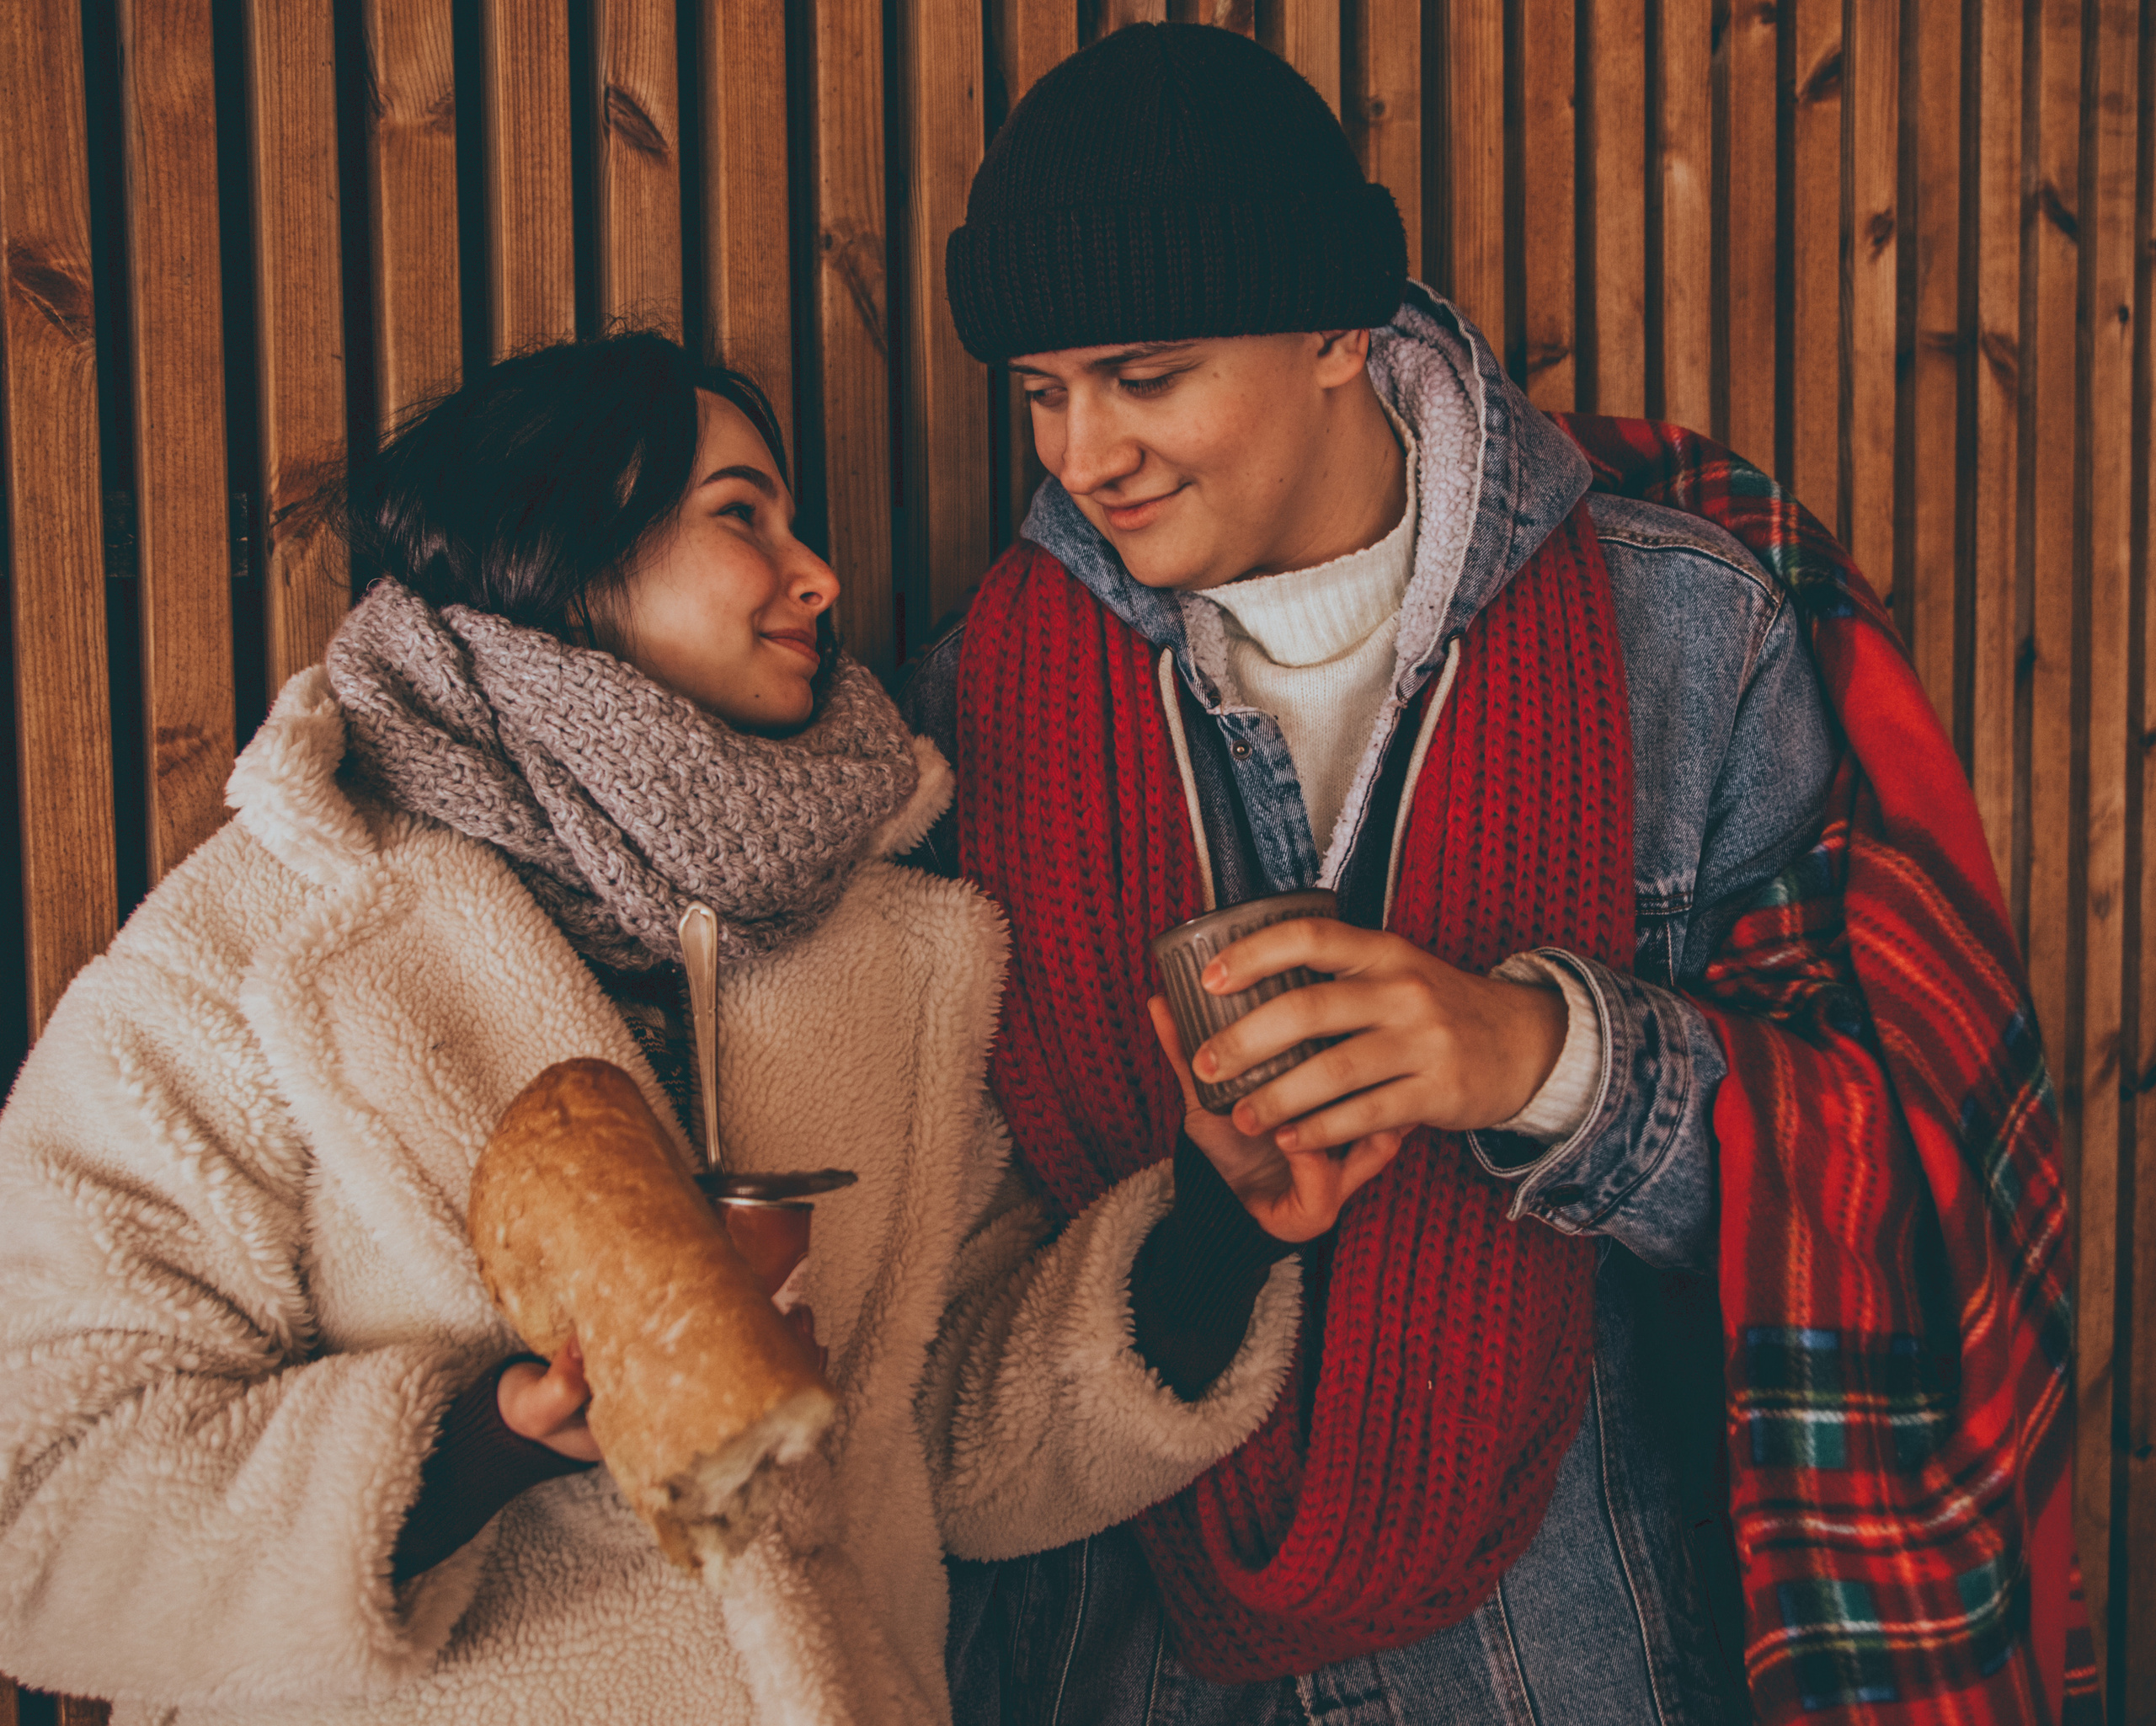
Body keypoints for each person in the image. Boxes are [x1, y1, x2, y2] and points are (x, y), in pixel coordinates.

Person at [906, 23, 2085, 1726]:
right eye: (1039, 390)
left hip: (1570, 1661)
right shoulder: (975, 705)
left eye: (1142, 373)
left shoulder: (1685, 628)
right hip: (1127, 1660)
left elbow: (1910, 1192)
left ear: (1331, 326)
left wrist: (1547, 1060)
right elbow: (938, 1301)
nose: (1083, 455)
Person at [0, 332, 1311, 1725]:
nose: (818, 575)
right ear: (555, 554)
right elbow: (42, 1488)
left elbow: (953, 1451)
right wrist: (489, 1439)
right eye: (743, 514)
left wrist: (1220, 1230)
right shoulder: (271, 939)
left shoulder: (891, 951)